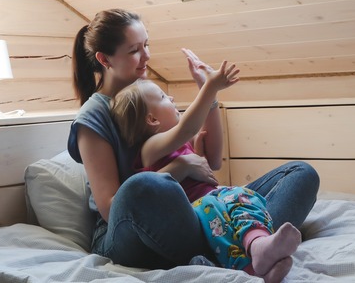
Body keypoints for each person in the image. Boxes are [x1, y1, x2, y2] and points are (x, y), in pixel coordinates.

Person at [68, 8, 320, 269]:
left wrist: (208, 96)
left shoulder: (145, 93)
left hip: (195, 213)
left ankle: (252, 246)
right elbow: (112, 209)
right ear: (104, 59)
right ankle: (237, 250)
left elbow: (212, 160)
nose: (146, 56)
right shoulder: (94, 115)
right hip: (128, 230)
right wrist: (181, 166)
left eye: (146, 45)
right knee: (143, 186)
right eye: (134, 50)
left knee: (301, 174)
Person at [112, 63, 301, 282]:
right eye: (164, 97)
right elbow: (188, 129)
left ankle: (259, 250)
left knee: (245, 198)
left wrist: (209, 93)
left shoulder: (181, 146)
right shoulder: (150, 147)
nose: (172, 99)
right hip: (197, 212)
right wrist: (210, 87)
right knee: (227, 207)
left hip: (216, 198)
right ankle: (254, 259)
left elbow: (213, 160)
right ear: (152, 120)